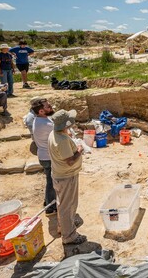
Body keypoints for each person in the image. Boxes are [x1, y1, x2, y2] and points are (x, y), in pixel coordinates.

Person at [49, 109, 86, 245]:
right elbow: (70, 160)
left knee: (63, 204)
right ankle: (69, 236)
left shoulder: (54, 134)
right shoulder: (62, 140)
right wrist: (80, 151)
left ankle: (64, 226)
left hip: (59, 174)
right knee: (67, 205)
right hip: (66, 176)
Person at [30, 98, 57, 216]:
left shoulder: (38, 120)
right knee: (51, 182)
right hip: (48, 157)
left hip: (43, 155)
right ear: (41, 111)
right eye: (47, 106)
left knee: (50, 180)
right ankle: (50, 208)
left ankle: (48, 201)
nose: (50, 107)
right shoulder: (46, 124)